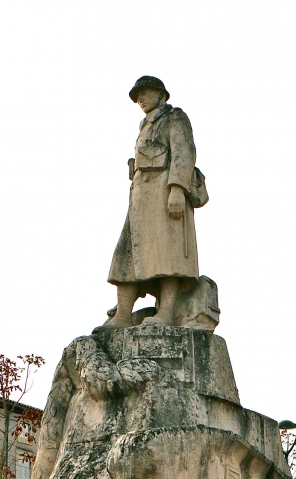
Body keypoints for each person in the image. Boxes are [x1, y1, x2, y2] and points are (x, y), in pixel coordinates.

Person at [105, 76, 205, 328]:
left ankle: (167, 312)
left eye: (145, 93)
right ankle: (123, 314)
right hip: (140, 198)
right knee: (127, 253)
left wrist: (177, 189)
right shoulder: (144, 125)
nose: (140, 99)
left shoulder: (175, 118)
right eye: (137, 95)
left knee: (168, 254)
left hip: (163, 191)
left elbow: (184, 152)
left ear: (161, 94)